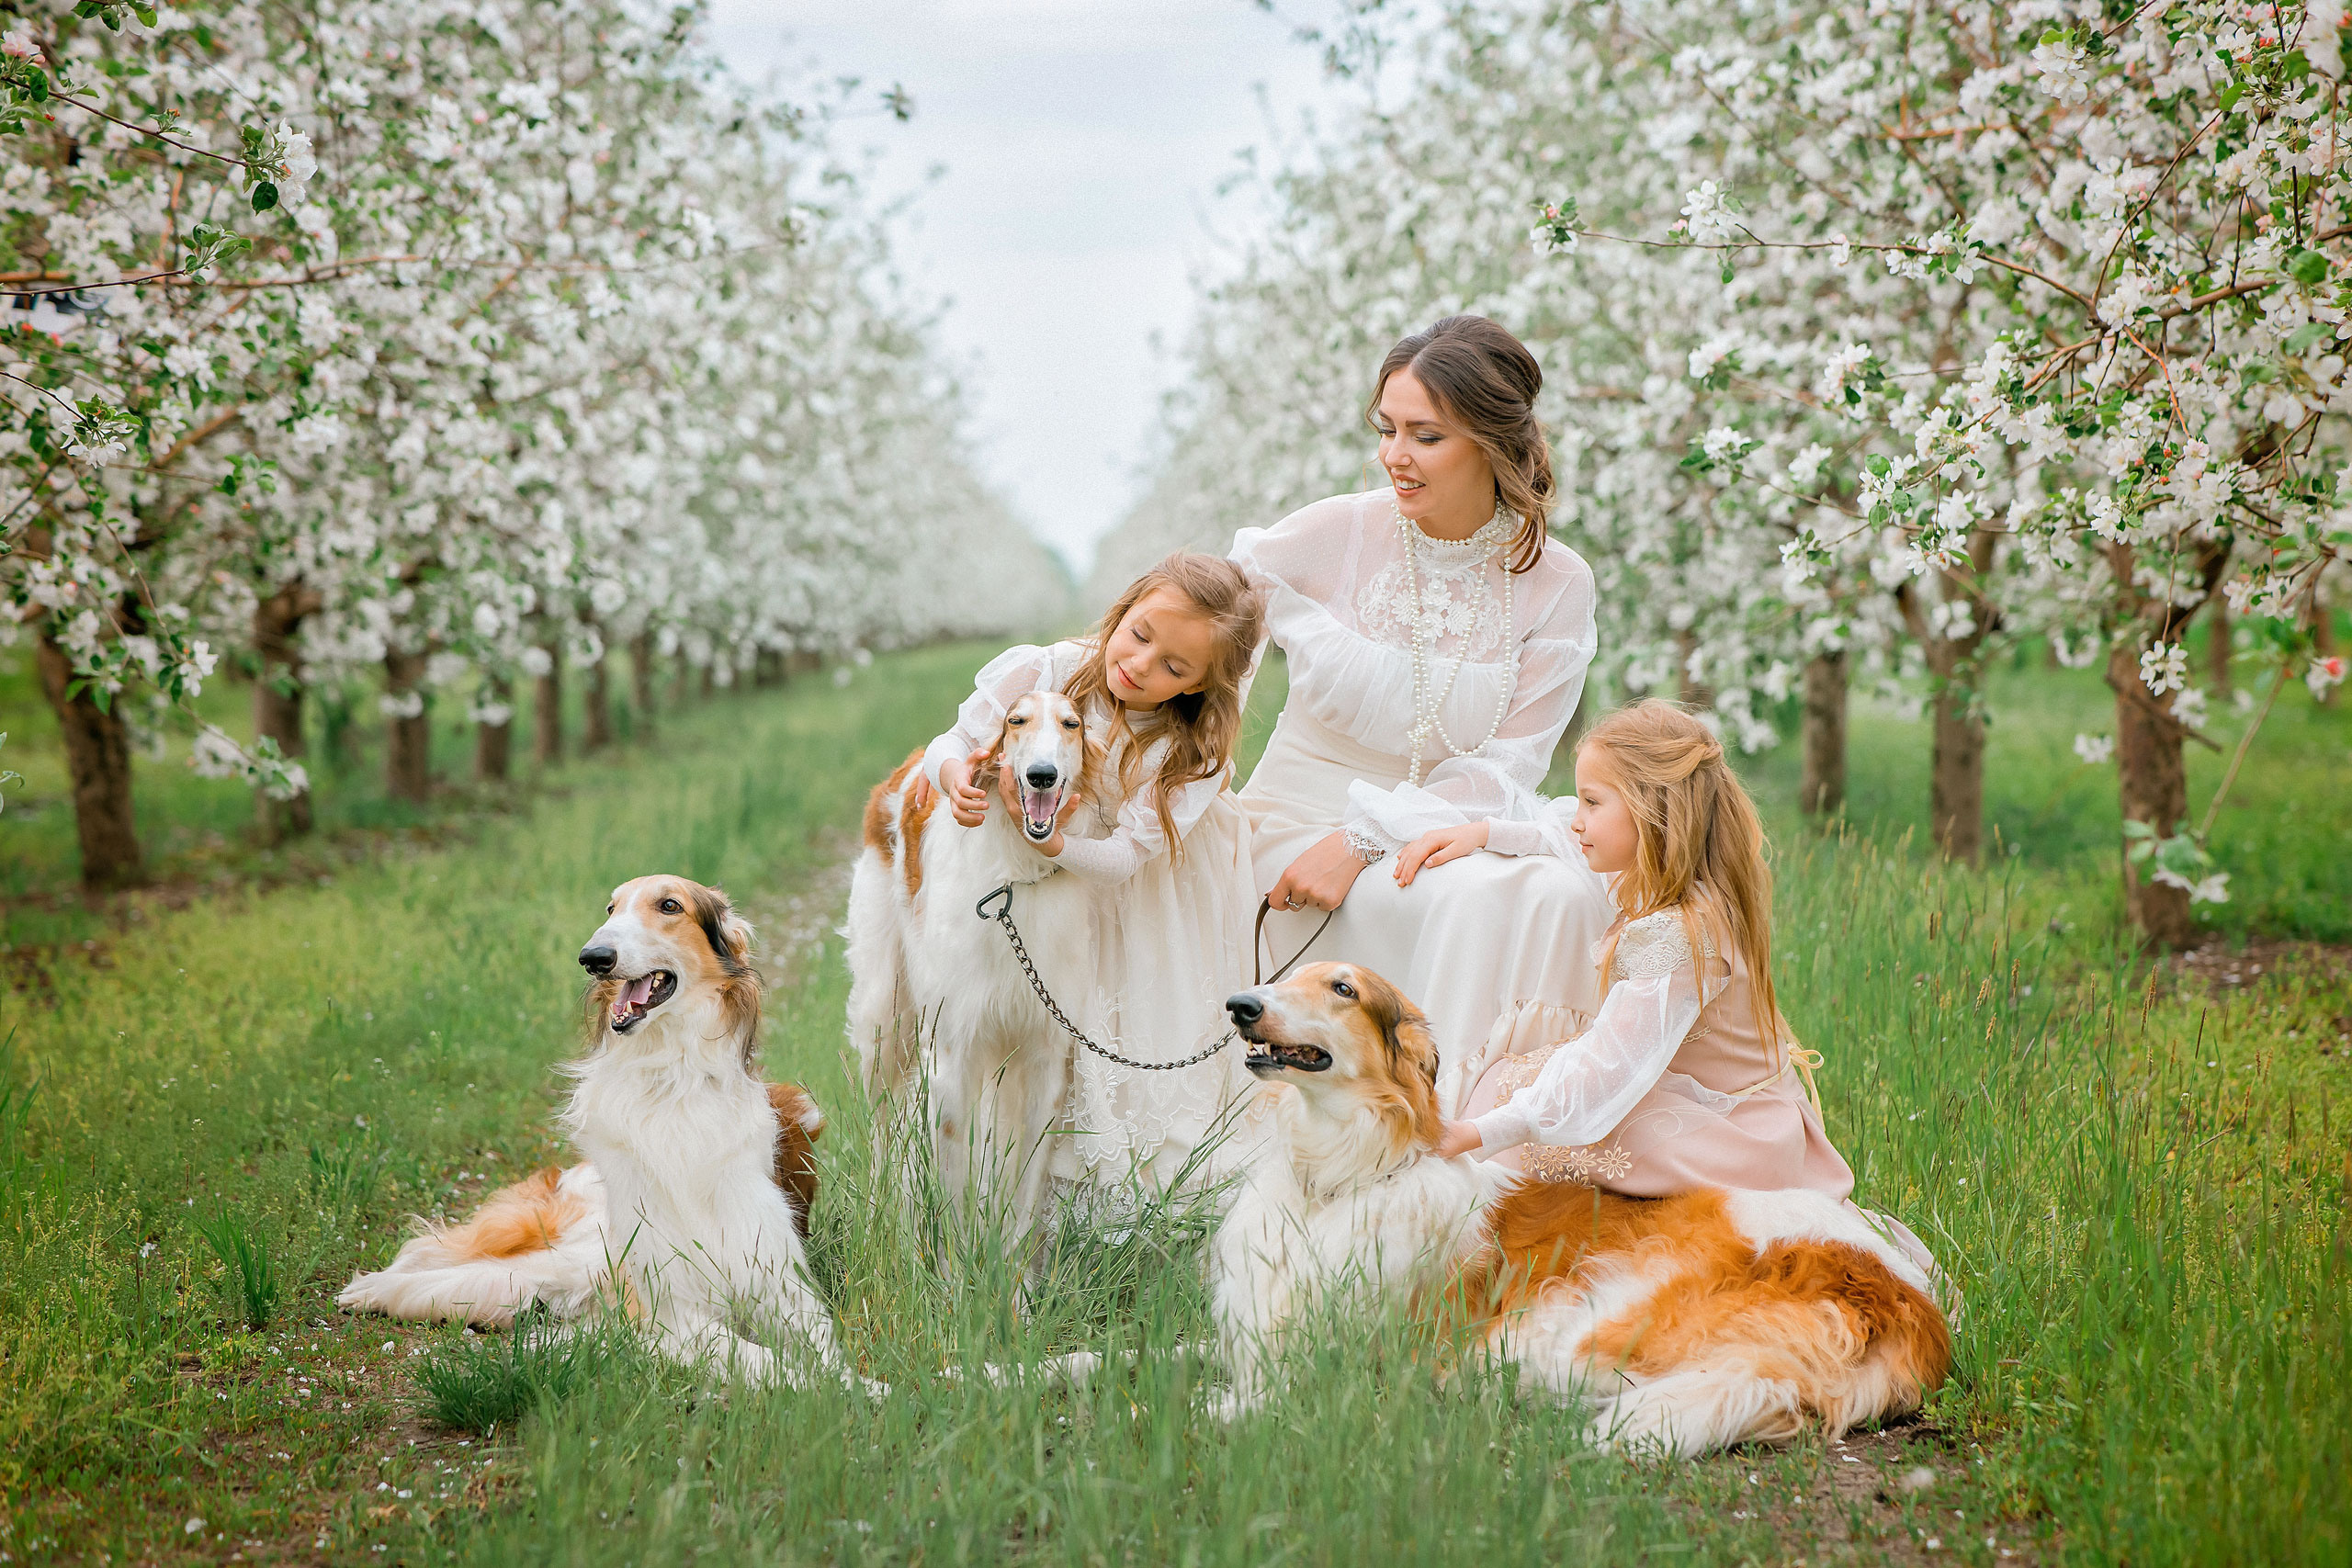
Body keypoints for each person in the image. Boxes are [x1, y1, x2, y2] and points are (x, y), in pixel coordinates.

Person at [1403, 700, 1939, 1277]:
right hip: (1734, 1112)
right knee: (1515, 1082)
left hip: (1740, 1137)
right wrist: (1486, 831)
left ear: (1652, 813)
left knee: (1516, 1108)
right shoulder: (1673, 882)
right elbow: (1565, 836)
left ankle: (1502, 1253)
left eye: (1591, 802)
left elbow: (1605, 1067)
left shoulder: (1679, 937)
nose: (1577, 819)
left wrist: (1476, 1133)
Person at [1230, 314, 1611, 1109]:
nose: (1393, 456)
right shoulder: (1340, 529)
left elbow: (1510, 766)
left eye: (1425, 436)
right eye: (1387, 429)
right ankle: (1422, 1119)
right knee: (1468, 899)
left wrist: (1367, 837)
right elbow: (1193, 628)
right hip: (1295, 824)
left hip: (1441, 829)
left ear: (1493, 444)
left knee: (1567, 896)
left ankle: (1507, 1125)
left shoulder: (1558, 582)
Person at [915, 552, 1267, 1188]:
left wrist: (1053, 845)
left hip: (1138, 891)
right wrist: (952, 775)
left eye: (1174, 667)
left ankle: (1096, 1174)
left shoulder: (1192, 753)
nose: (1140, 664)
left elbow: (1123, 858)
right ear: (1121, 611)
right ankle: (984, 1165)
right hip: (1046, 895)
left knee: (1114, 1034)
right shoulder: (1046, 669)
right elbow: (956, 739)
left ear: (1198, 686)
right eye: (1139, 634)